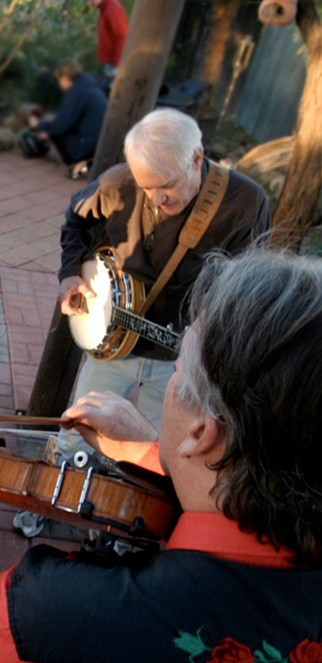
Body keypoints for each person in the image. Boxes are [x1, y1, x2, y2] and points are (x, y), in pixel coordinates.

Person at [0, 249, 322, 663]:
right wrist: (147, 453)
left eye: (178, 371)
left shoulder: (68, 614)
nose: (174, 379)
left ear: (203, 432)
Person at [55, 108, 270, 459]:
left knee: (151, 451)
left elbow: (248, 286)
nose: (156, 199)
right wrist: (70, 273)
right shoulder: (120, 181)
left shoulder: (245, 202)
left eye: (167, 185)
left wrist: (206, 331)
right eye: (147, 187)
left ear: (196, 158)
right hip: (111, 341)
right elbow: (75, 219)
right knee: (77, 436)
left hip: (176, 360)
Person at [21, 59, 108, 179]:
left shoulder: (76, 92)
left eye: (59, 79)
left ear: (65, 77)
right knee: (54, 127)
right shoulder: (90, 85)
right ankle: (88, 158)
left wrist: (39, 125)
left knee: (55, 131)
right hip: (102, 139)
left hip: (89, 142)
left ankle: (79, 160)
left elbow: (60, 125)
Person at [87, 0, 129, 79]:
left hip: (115, 61)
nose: (89, 2)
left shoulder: (112, 7)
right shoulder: (105, 8)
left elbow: (122, 36)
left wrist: (118, 66)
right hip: (112, 61)